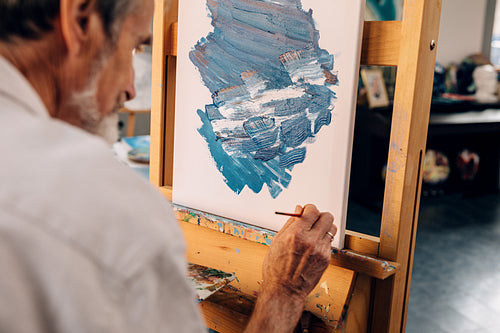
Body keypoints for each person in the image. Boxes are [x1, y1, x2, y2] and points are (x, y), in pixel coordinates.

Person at [0, 0, 337, 332]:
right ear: (82, 20)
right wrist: (285, 293)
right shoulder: (104, 205)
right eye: (133, 46)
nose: (131, 87)